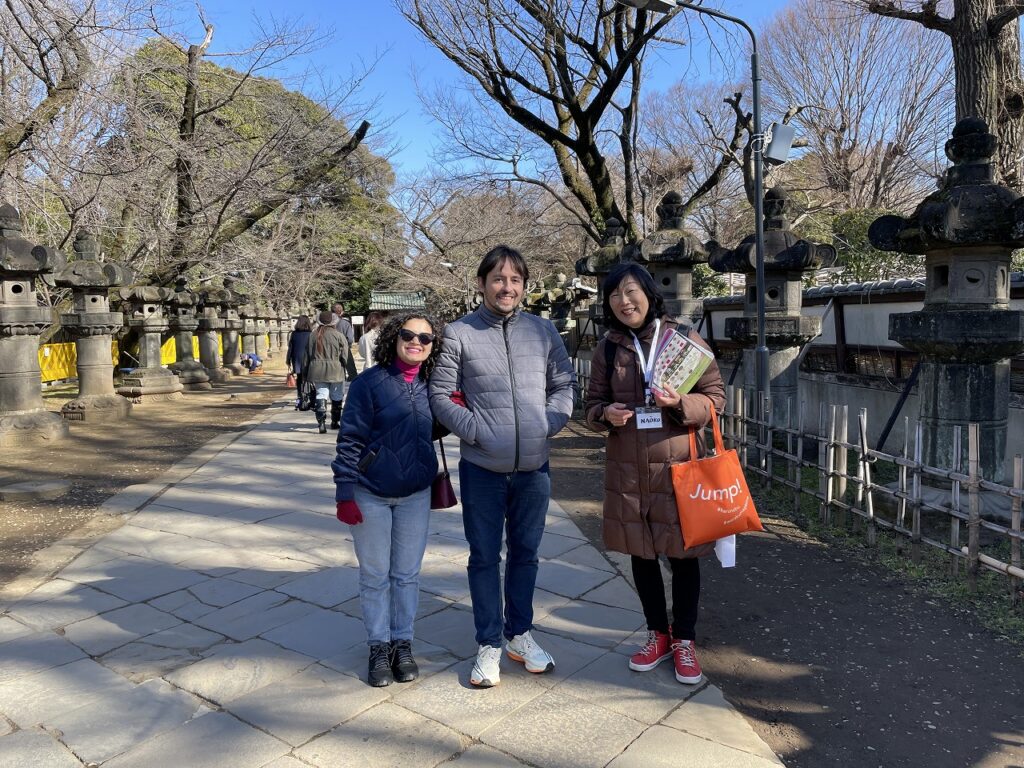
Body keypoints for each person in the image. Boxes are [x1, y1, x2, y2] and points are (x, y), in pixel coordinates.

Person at [429, 245, 576, 688]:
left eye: (515, 280)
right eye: (498, 278)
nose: (506, 287)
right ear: (482, 283)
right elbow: (441, 394)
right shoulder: (459, 333)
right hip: (482, 468)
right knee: (483, 557)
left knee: (526, 554)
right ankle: (489, 642)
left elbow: (563, 383)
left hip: (534, 467)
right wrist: (477, 431)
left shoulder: (543, 330)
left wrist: (548, 423)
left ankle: (520, 635)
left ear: (524, 286)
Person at [583, 262, 725, 686]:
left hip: (678, 467)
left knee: (683, 556)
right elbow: (591, 406)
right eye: (614, 295)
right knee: (641, 554)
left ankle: (685, 640)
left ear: (648, 293)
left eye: (631, 291)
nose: (624, 301)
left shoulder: (683, 339)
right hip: (628, 470)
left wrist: (680, 403)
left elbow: (715, 398)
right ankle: (657, 635)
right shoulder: (608, 348)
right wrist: (605, 414)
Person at [332, 313, 444, 687]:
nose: (416, 342)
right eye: (408, 335)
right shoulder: (369, 383)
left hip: (415, 493)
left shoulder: (434, 385)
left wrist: (454, 407)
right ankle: (378, 645)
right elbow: (349, 438)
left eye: (425, 338)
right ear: (394, 338)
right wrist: (344, 491)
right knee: (375, 575)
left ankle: (402, 642)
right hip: (371, 492)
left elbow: (433, 428)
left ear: (433, 346)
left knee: (407, 575)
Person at [303, 310, 349, 433]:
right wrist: (344, 366)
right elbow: (345, 356)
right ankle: (335, 422)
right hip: (336, 370)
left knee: (321, 394)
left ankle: (321, 423)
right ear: (333, 321)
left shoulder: (313, 335)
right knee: (337, 396)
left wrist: (305, 372)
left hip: (317, 370)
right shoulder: (339, 335)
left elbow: (307, 356)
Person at [286, 315, 312, 407]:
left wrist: (288, 359)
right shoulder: (311, 334)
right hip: (308, 359)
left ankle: (300, 397)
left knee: (299, 378)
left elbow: (290, 348)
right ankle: (309, 397)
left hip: (296, 359)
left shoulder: (294, 334)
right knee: (309, 379)